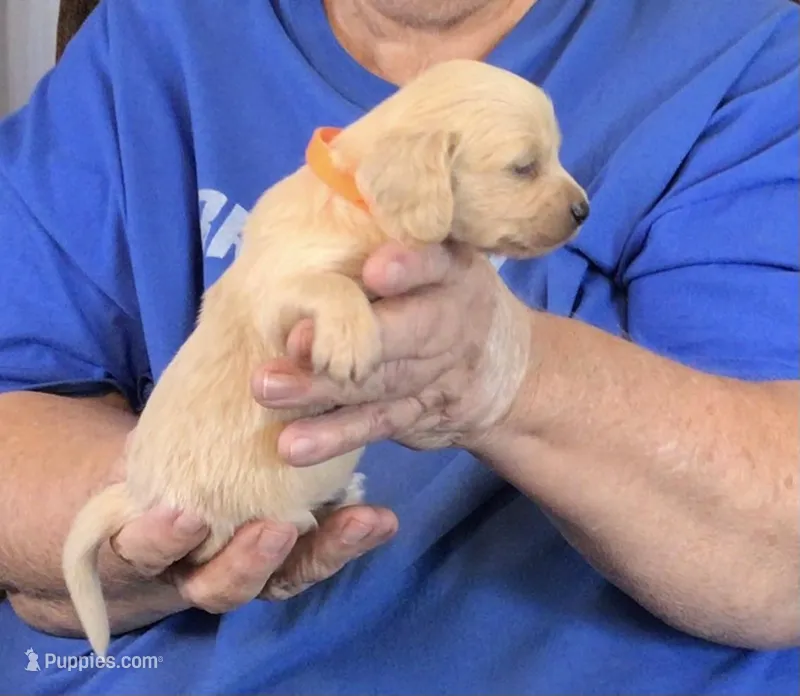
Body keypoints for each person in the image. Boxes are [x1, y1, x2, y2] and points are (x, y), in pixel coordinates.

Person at [0, 0, 797, 693]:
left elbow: (779, 551)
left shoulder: (745, 63)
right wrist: (160, 534)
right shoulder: (151, 34)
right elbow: (18, 412)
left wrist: (501, 371)